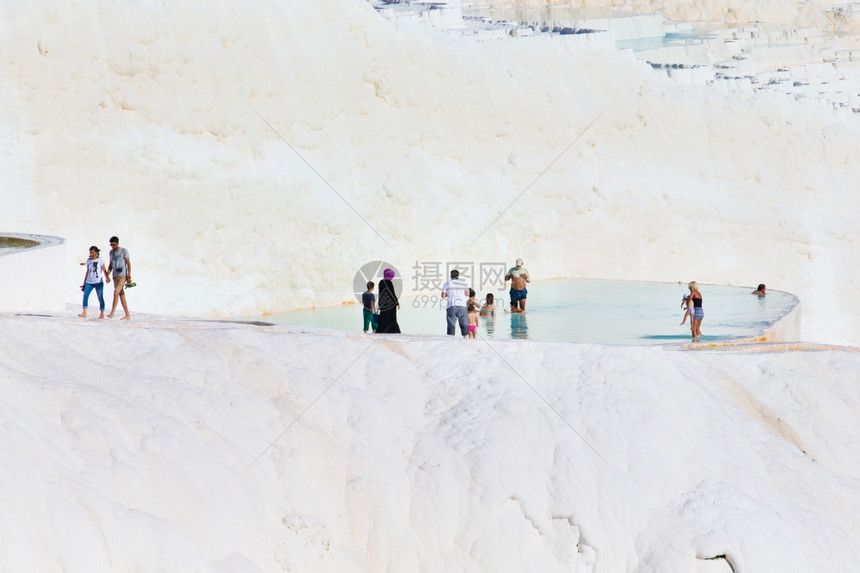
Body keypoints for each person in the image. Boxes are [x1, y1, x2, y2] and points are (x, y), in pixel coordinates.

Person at [78, 246, 110, 319]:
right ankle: (84, 313)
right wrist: (84, 283)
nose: (91, 254)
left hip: (98, 282)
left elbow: (104, 270)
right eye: (90, 252)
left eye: (92, 252)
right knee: (85, 296)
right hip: (89, 282)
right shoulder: (88, 260)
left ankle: (102, 313)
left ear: (96, 253)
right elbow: (87, 272)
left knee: (100, 297)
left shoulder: (100, 260)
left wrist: (107, 277)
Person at [106, 236, 132, 320]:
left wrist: (129, 276)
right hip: (115, 276)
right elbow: (110, 265)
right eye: (111, 245)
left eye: (114, 245)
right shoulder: (111, 253)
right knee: (122, 296)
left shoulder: (124, 251)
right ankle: (127, 315)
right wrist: (107, 275)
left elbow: (128, 264)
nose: (112, 246)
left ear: (117, 243)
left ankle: (112, 313)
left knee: (116, 292)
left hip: (122, 276)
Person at [441, 269, 469, 337]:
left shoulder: (446, 283)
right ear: (458, 276)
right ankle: (465, 338)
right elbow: (467, 294)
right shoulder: (463, 283)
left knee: (451, 324)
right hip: (462, 305)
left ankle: (451, 340)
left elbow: (443, 296)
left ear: (450, 276)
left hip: (451, 305)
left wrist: (448, 294)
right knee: (464, 323)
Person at [376, 268, 401, 333]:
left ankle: (382, 331)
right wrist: (397, 303)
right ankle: (393, 331)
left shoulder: (381, 282)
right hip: (391, 304)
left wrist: (379, 304)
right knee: (391, 318)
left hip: (384, 304)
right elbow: (392, 293)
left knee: (384, 318)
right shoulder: (389, 282)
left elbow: (380, 293)